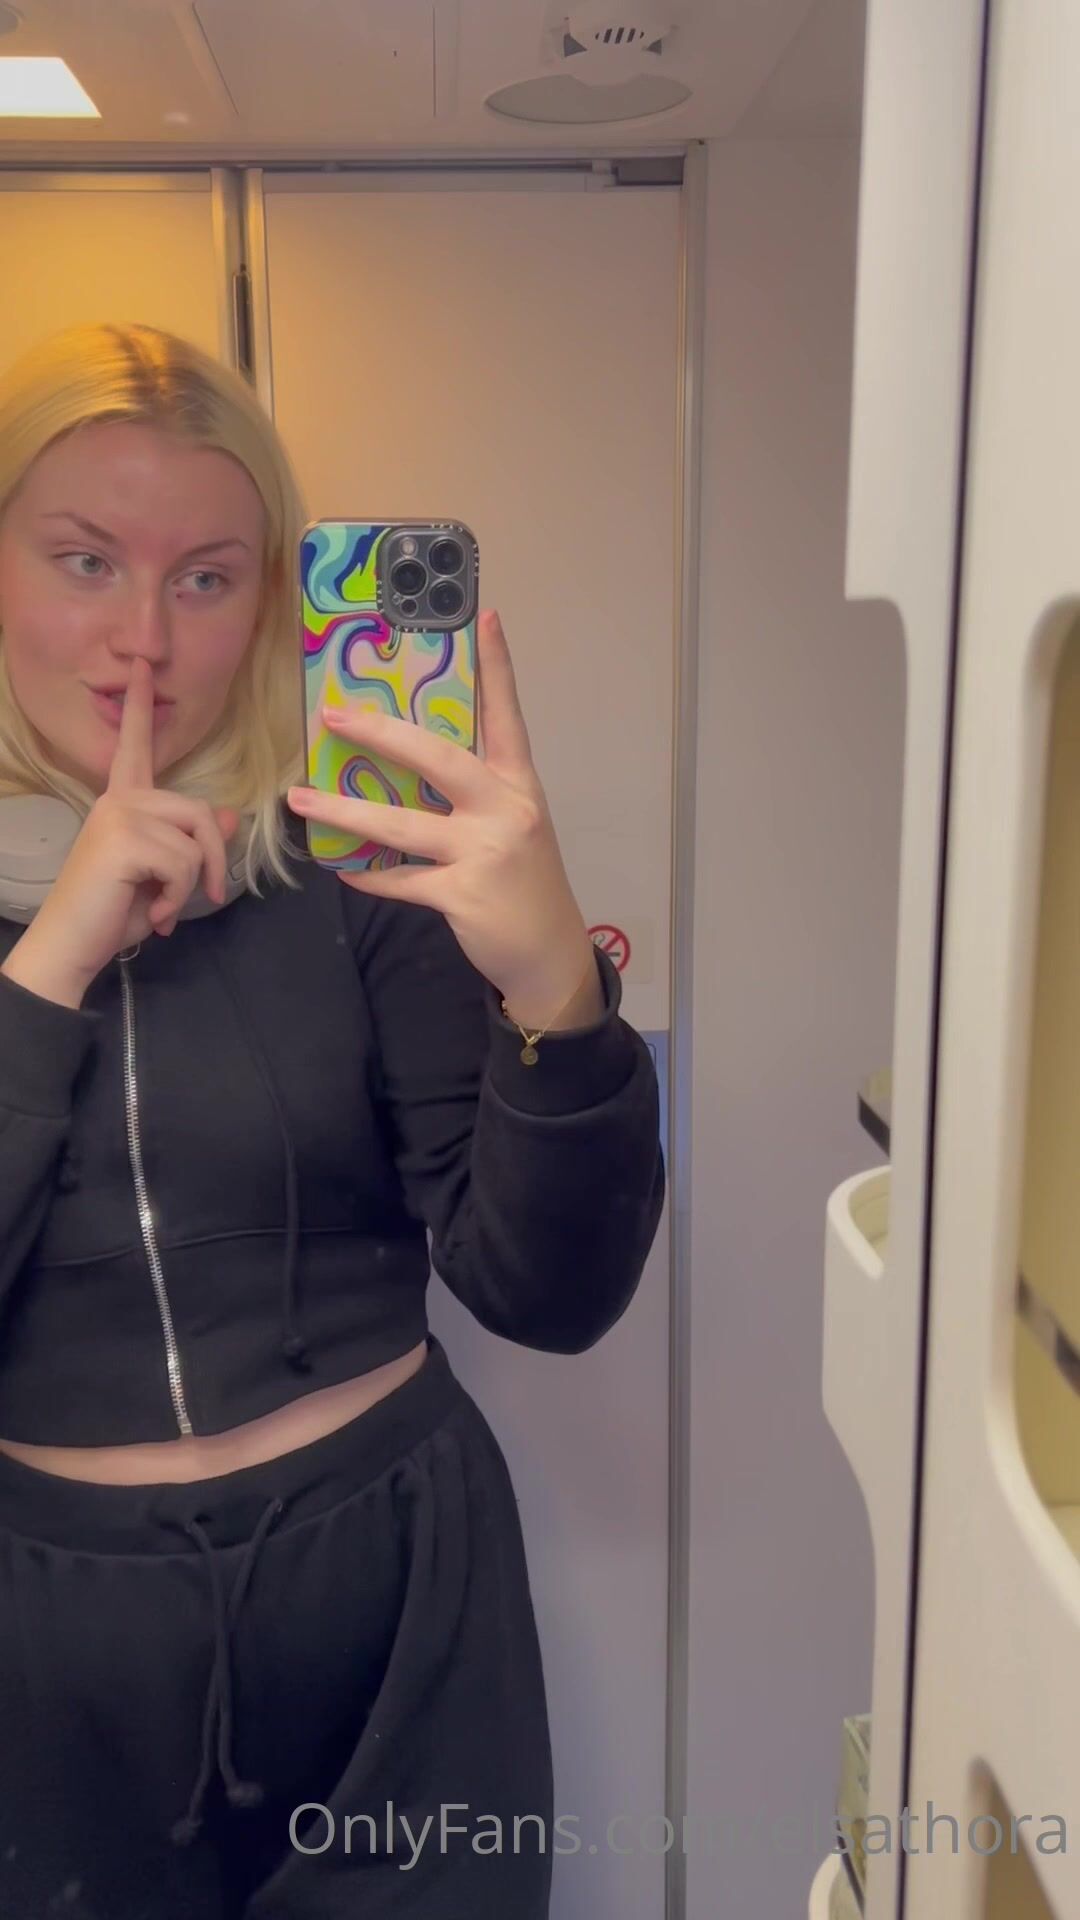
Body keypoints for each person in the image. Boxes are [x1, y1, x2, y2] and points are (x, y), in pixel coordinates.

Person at [0, 323, 665, 1920]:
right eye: (85, 562)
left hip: (400, 1606)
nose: (143, 640)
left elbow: (550, 1294)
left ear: (271, 602)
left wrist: (555, 992)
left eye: (207, 577)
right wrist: (51, 964)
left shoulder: (352, 860)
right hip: (50, 1654)